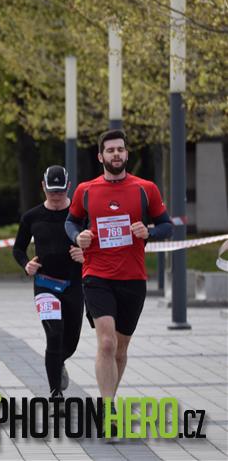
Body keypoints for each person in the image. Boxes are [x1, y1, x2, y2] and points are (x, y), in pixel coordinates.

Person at [65, 129, 172, 410]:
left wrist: (149, 232)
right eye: (110, 150)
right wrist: (77, 236)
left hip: (133, 278)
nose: (116, 154)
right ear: (101, 156)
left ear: (126, 153)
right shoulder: (86, 190)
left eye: (120, 150)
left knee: (121, 349)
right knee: (107, 343)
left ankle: (109, 398)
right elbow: (71, 221)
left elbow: (167, 226)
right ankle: (107, 408)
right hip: (96, 275)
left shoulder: (145, 189)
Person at [13, 165, 84, 403]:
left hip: (74, 284)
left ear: (69, 187)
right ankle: (56, 394)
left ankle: (58, 362)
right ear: (43, 187)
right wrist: (26, 265)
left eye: (60, 191)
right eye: (52, 191)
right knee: (54, 334)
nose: (56, 196)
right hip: (45, 284)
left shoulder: (80, 215)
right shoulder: (31, 217)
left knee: (70, 342)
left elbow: (97, 246)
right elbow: (18, 249)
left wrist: (86, 256)